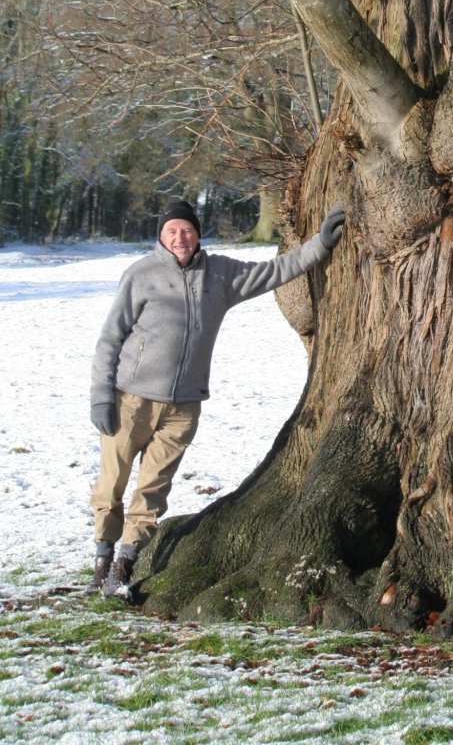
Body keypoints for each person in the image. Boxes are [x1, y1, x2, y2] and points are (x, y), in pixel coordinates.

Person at [88, 196, 346, 598]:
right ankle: (101, 557)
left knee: (153, 490)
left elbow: (275, 270)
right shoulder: (140, 275)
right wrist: (101, 397)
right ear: (161, 235)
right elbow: (110, 339)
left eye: (187, 230)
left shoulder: (219, 275)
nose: (180, 237)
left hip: (183, 406)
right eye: (172, 231)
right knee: (111, 485)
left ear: (197, 234)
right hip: (130, 399)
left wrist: (320, 245)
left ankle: (123, 564)